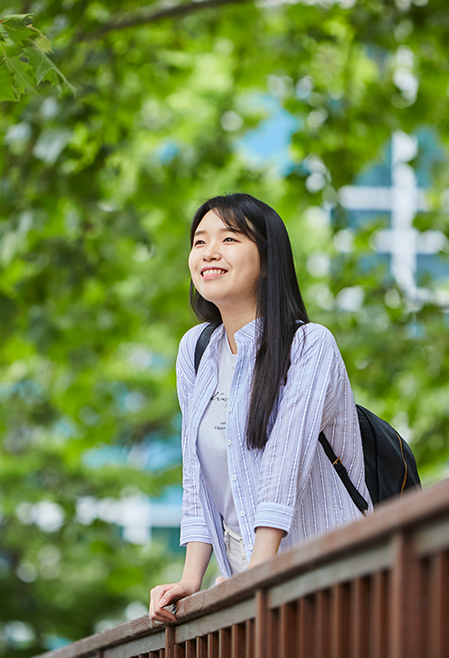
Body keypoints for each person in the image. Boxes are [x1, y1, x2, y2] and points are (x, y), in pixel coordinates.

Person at [149, 193, 372, 623]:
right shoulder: (196, 351)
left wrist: (257, 575)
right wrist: (191, 579)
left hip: (331, 573)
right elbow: (197, 474)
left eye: (229, 239)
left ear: (267, 261)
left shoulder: (308, 345)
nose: (209, 252)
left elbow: (283, 468)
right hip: (251, 582)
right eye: (199, 241)